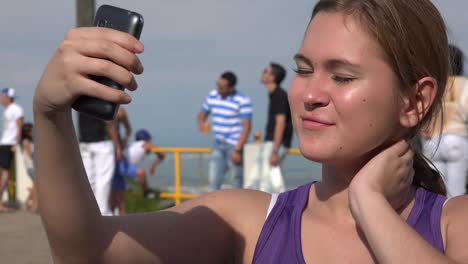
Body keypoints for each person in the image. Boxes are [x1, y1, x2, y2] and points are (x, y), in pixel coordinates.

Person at [33, 0, 468, 263]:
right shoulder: (247, 221)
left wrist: (369, 204)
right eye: (303, 69)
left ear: (415, 101)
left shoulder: (454, 224)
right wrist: (50, 115)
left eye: (342, 76)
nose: (309, 94)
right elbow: (89, 254)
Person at [422, 45, 468, 197]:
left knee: (434, 193)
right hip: (456, 140)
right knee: (456, 194)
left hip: (432, 141)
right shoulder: (463, 84)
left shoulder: (433, 85)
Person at [197, 71, 253, 190]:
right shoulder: (213, 95)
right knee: (214, 180)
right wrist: (201, 122)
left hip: (234, 146)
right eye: (217, 85)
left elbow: (247, 126)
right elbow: (202, 113)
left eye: (222, 87)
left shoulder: (242, 100)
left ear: (231, 88)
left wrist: (238, 149)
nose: (218, 89)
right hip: (218, 143)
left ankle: (237, 206)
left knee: (236, 181)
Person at [255, 62, 293, 192]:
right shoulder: (276, 95)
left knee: (267, 181)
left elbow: (280, 123)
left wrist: (275, 151)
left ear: (272, 77)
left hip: (275, 144)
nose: (263, 73)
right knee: (272, 179)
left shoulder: (279, 95)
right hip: (274, 143)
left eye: (266, 71)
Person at [77, 112, 121, 216]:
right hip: (102, 143)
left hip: (84, 142)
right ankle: (103, 213)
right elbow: (109, 121)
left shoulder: (81, 97)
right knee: (103, 180)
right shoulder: (103, 97)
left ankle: (88, 211)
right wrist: (118, 145)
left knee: (88, 179)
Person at [112, 129, 165, 215]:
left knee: (118, 198)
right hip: (123, 164)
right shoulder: (146, 144)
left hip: (117, 164)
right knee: (141, 173)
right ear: (148, 139)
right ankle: (146, 192)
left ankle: (118, 218)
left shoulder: (134, 145)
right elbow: (161, 154)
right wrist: (153, 165)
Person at [0, 87, 23, 213]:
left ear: (7, 97)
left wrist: (17, 142)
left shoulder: (15, 109)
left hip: (9, 144)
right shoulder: (8, 110)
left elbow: (20, 125)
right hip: (5, 144)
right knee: (4, 173)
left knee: (5, 173)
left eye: (2, 96)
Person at [111, 106, 132, 215]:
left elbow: (128, 129)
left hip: (115, 153)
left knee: (118, 192)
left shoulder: (119, 111)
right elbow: (128, 129)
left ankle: (121, 218)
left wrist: (121, 144)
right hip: (102, 150)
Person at [21, 123, 38, 213]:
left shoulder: (30, 141)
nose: (33, 132)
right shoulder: (26, 142)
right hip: (31, 167)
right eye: (32, 130)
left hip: (32, 167)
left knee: (36, 186)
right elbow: (30, 153)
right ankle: (34, 206)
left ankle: (27, 203)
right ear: (27, 132)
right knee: (36, 187)